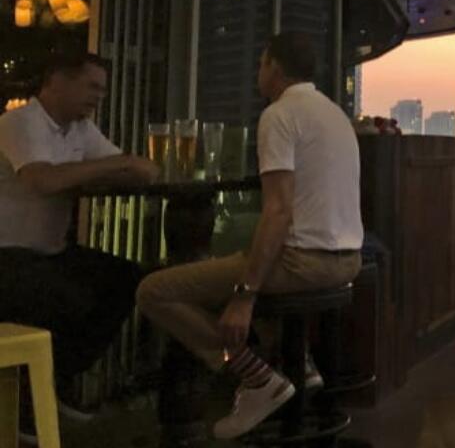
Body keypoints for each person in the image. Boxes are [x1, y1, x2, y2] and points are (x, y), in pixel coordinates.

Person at [137, 33, 364, 440]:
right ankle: (296, 361)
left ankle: (257, 377)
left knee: (155, 290)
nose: (258, 74)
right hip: (347, 260)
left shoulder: (278, 115)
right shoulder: (335, 115)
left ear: (273, 66)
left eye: (260, 65)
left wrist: (244, 296)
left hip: (303, 264)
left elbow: (277, 210)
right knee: (239, 256)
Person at [0, 53, 159, 408]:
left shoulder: (79, 129)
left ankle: (54, 382)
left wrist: (124, 165)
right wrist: (118, 164)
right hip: (7, 256)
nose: (99, 96)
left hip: (50, 253)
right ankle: (31, 395)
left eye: (102, 90)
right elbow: (41, 179)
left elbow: (138, 170)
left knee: (129, 279)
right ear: (56, 81)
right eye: (92, 87)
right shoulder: (20, 123)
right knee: (72, 300)